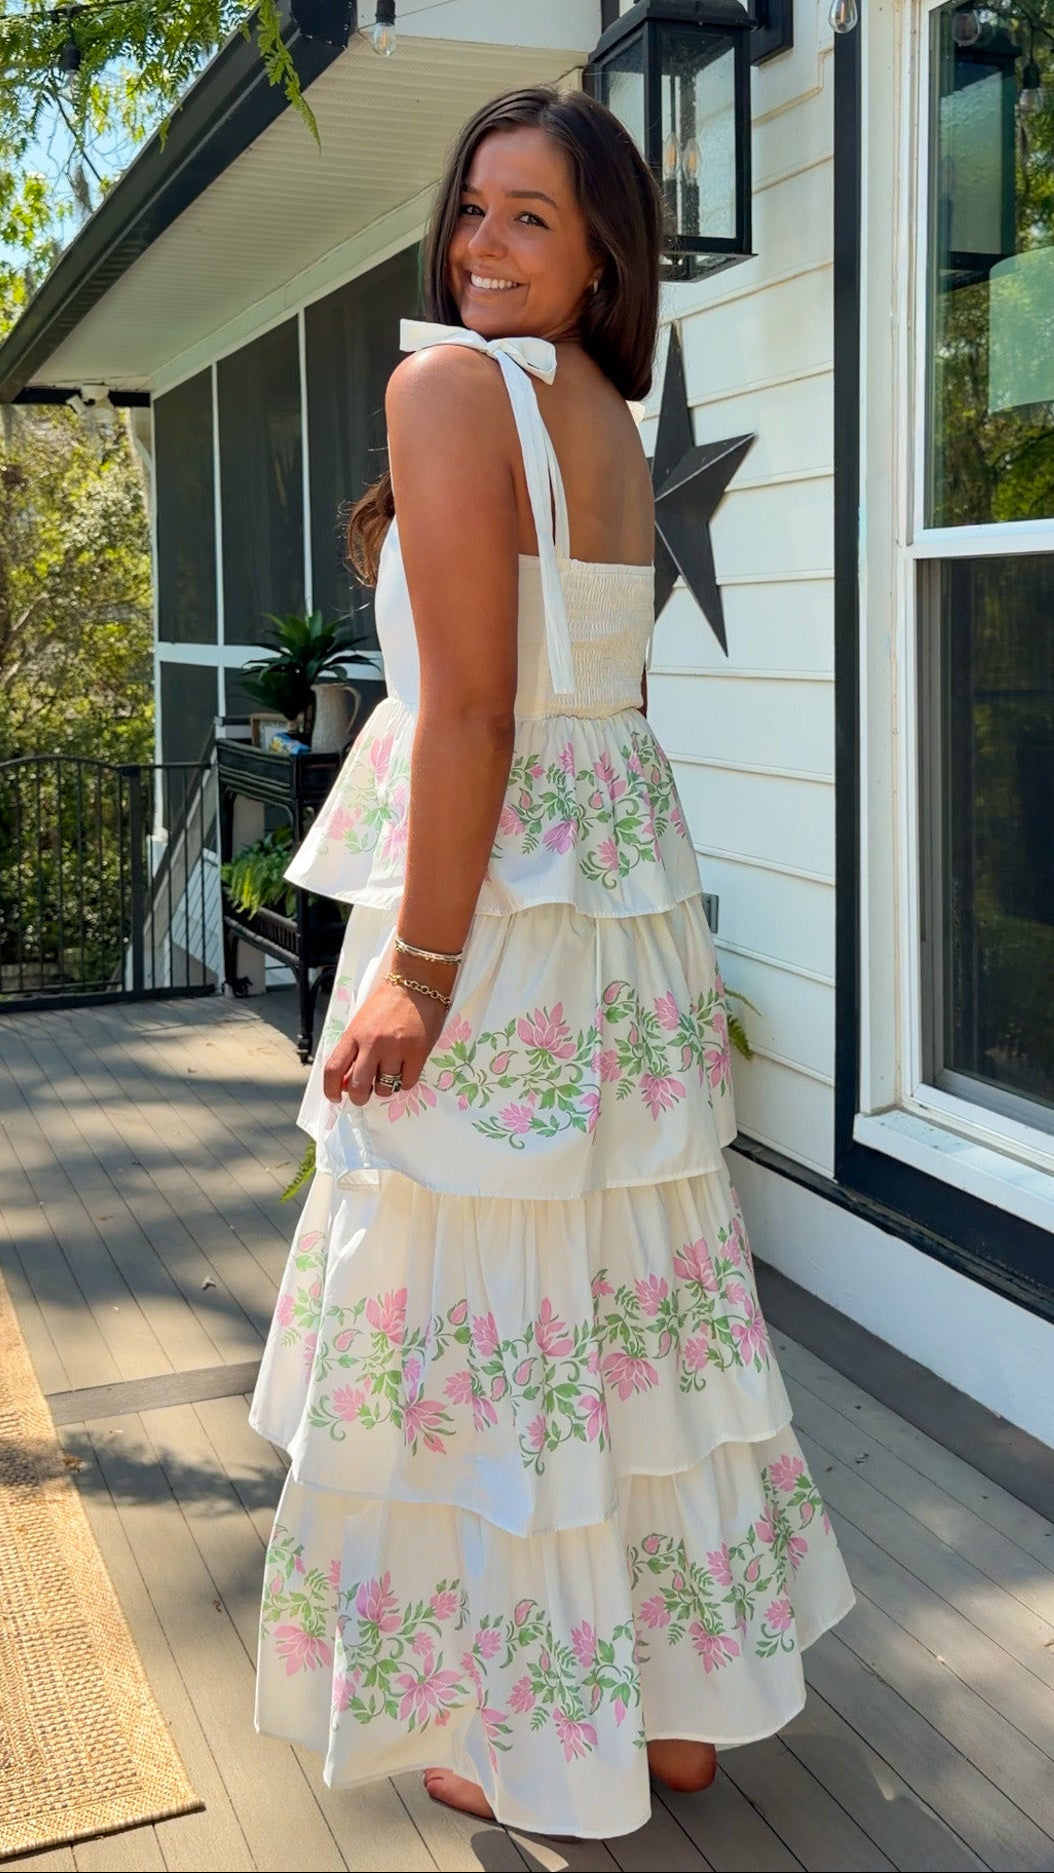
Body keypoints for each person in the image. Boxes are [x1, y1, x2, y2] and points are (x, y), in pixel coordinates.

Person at [249, 83, 854, 1842]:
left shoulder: (449, 388)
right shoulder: (603, 413)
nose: (481, 246)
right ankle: (672, 1709)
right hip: (611, 899)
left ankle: (538, 1731)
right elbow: (607, 697)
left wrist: (419, 970)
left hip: (499, 907)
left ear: (603, 255)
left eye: (530, 216)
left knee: (482, 1310)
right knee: (621, 1293)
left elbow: (475, 711)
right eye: (471, 208)